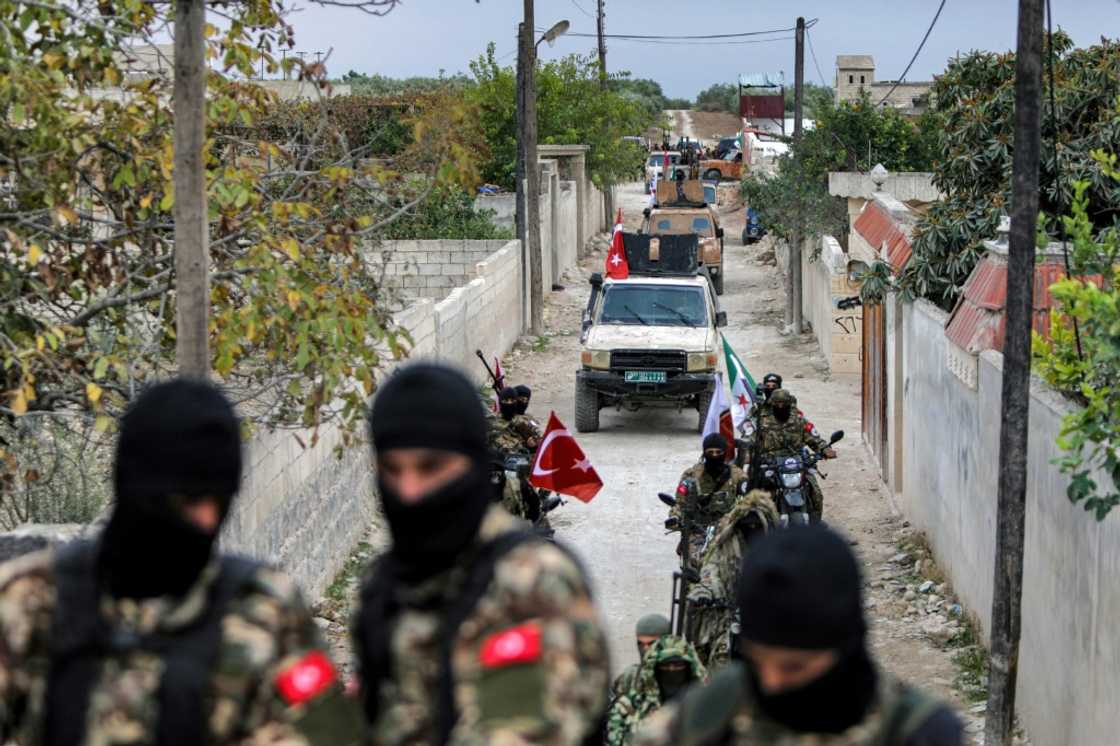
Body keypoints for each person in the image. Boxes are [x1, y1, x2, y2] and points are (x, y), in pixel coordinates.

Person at [0, 379, 362, 745]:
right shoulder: (31, 599)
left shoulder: (265, 608)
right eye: (187, 501)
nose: (205, 520)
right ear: (134, 487)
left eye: (218, 502)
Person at [354, 363, 609, 745]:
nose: (409, 491)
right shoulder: (383, 586)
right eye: (393, 469)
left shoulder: (536, 581)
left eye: (430, 468)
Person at [632, 525, 963, 746]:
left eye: (794, 666)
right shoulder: (716, 708)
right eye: (757, 661)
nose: (772, 683)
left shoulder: (918, 731)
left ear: (847, 646)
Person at [688, 490, 778, 669]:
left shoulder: (779, 551)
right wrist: (703, 592)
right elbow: (712, 571)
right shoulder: (726, 547)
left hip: (767, 617)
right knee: (718, 652)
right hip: (728, 612)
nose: (752, 530)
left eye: (757, 526)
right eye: (747, 525)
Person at [747, 389, 836, 521]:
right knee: (755, 494)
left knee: (815, 492)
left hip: (796, 461)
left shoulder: (798, 421)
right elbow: (751, 440)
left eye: (783, 403)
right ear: (772, 403)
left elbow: (813, 438)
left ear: (789, 403)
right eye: (777, 403)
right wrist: (747, 454)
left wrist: (824, 449)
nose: (780, 406)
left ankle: (816, 524)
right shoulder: (762, 422)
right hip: (770, 463)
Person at [606, 635, 707, 746]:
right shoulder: (628, 706)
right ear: (654, 669)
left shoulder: (705, 707)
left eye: (678, 665)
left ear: (689, 669)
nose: (671, 670)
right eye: (665, 665)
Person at [670, 433, 749, 570]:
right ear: (704, 453)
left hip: (727, 531)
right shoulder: (692, 475)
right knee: (694, 563)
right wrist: (675, 517)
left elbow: (748, 502)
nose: (714, 456)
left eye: (718, 452)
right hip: (698, 530)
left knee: (738, 564)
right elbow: (680, 503)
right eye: (710, 452)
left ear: (725, 453)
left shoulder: (738, 476)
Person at [611, 613, 673, 701]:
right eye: (640, 644)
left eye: (652, 644)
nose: (645, 649)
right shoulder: (631, 676)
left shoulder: (680, 678)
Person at [494, 385, 541, 454]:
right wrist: (524, 445)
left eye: (512, 401)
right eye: (506, 401)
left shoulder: (524, 419)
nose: (509, 404)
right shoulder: (495, 421)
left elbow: (537, 432)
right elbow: (501, 444)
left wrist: (535, 441)